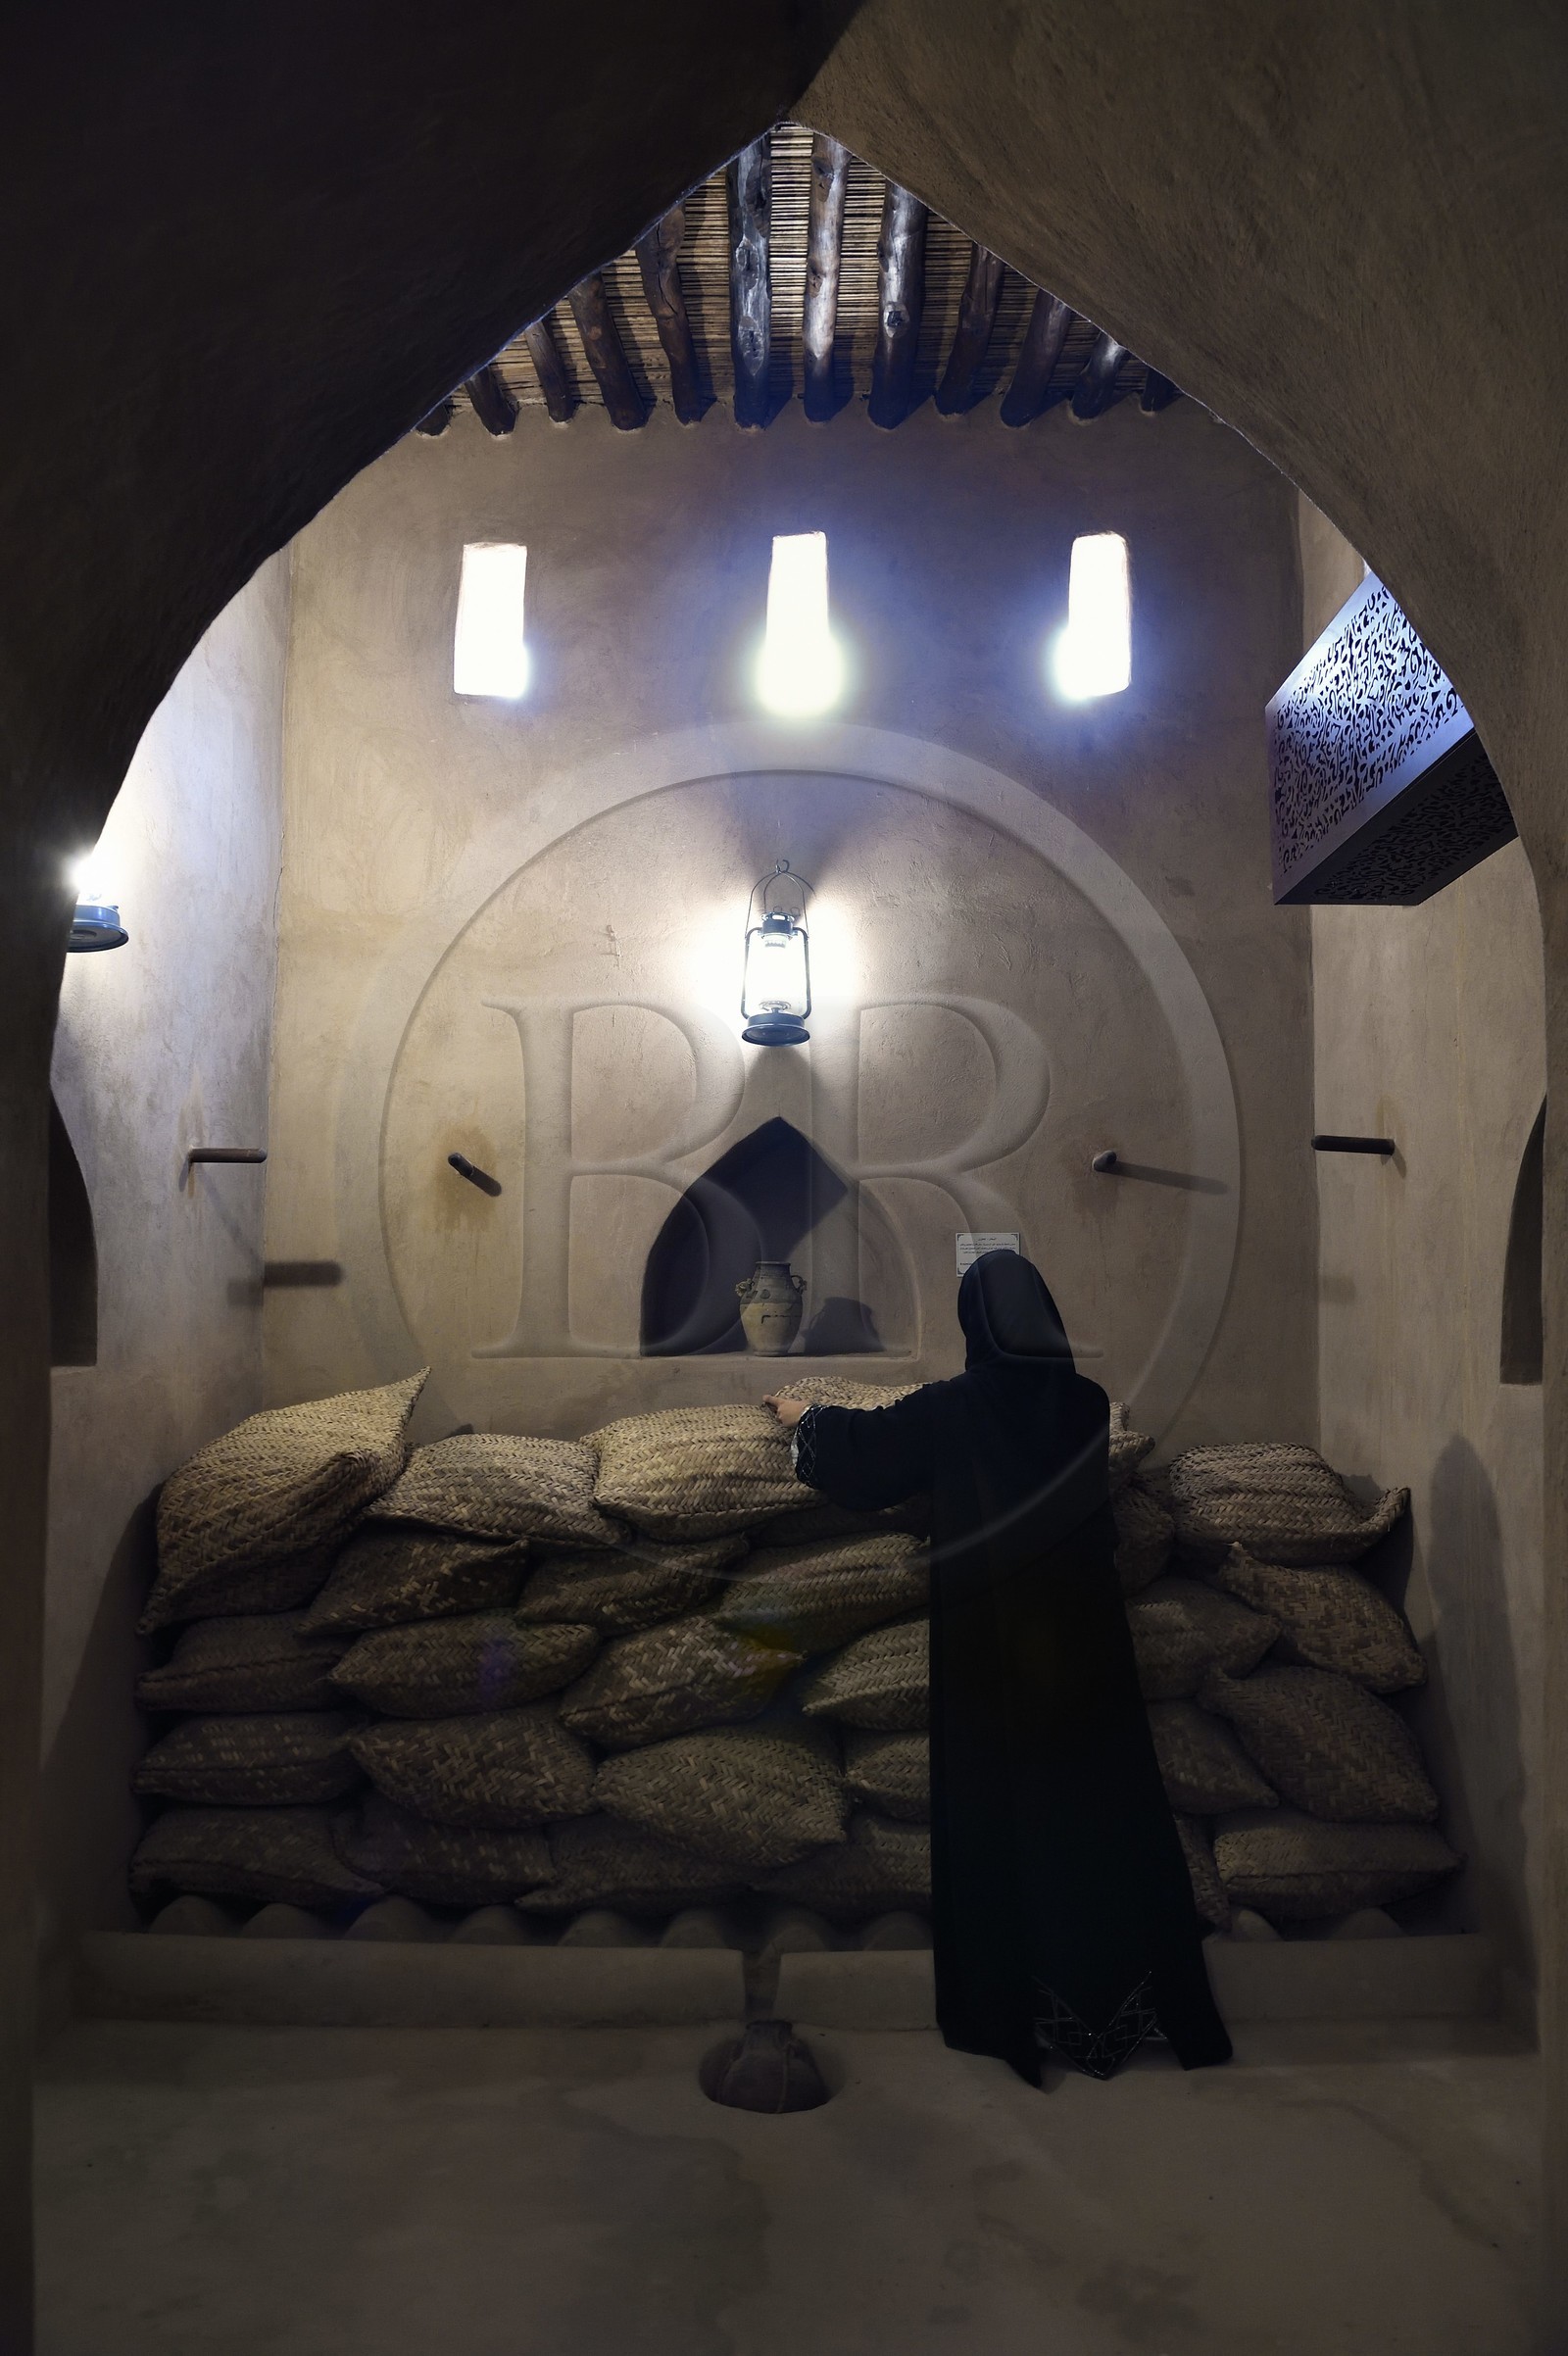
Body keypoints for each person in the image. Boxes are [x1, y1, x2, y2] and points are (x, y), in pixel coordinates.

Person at [765, 1248, 1230, 2084]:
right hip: (1086, 1635)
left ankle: (1023, 2006)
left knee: (1007, 1809)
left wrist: (801, 1412)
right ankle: (1119, 2006)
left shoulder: (957, 1406)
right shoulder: (1085, 1405)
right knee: (1097, 1810)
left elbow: (864, 1457)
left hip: (994, 1639)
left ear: (975, 1324)